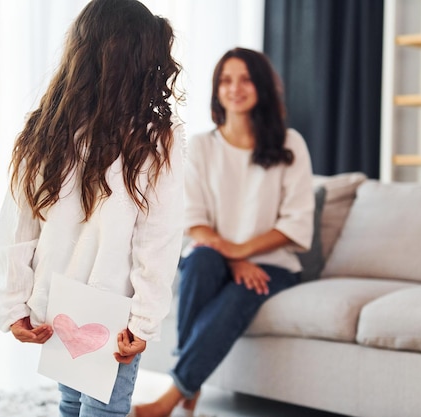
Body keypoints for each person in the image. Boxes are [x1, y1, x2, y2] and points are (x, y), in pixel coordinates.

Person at [0, 1, 185, 416]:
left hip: (63, 302)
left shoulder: (46, 127)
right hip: (111, 313)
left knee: (73, 400)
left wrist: (14, 303)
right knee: (100, 408)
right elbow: (159, 239)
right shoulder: (154, 140)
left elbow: (16, 227)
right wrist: (145, 319)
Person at [131, 47, 315, 417]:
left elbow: (295, 222)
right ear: (217, 90)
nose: (235, 88)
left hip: (272, 264)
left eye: (245, 79)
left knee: (241, 289)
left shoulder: (289, 144)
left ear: (261, 86)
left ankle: (172, 398)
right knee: (199, 264)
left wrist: (242, 252)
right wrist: (233, 258)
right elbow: (193, 219)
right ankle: (191, 383)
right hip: (210, 254)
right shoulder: (201, 146)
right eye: (226, 80)